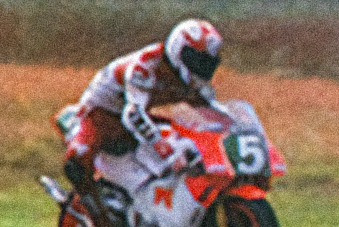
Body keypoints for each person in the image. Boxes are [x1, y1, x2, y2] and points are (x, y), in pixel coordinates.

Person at [61, 18, 223, 195]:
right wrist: (167, 152)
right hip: (101, 113)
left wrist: (236, 126)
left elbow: (211, 110)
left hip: (141, 113)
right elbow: (133, 115)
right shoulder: (146, 65)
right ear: (178, 49)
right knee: (77, 160)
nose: (200, 67)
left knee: (186, 143)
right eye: (196, 59)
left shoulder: (191, 77)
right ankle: (91, 205)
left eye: (206, 63)